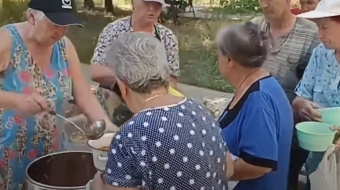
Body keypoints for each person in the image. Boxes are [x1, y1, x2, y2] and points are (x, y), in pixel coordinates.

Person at [0, 0, 116, 189]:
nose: (60, 33)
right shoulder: (7, 40)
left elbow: (84, 95)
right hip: (7, 156)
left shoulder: (64, 47)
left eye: (66, 26)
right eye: (55, 25)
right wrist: (16, 101)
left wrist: (109, 130)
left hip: (51, 156)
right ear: (31, 17)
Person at [92, 32, 230, 190]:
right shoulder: (201, 112)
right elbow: (228, 168)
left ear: (123, 86)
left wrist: (98, 185)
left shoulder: (131, 135)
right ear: (164, 73)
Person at [217, 22, 294, 190]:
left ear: (229, 59)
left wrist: (215, 172)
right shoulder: (261, 85)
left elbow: (260, 164)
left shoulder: (259, 100)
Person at [253, 1, 320, 189]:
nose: (264, 4)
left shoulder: (312, 34)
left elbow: (315, 85)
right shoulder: (252, 29)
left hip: (291, 132)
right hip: (257, 125)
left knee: (285, 182)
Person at [90, 0, 181, 127]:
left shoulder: (167, 37)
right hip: (114, 108)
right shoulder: (114, 31)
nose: (152, 8)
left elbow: (172, 81)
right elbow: (96, 72)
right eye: (146, 3)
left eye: (157, 4)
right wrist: (134, 74)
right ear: (133, 3)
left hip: (152, 109)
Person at [293, 0, 340, 189]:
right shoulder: (321, 54)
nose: (320, 34)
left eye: (325, 27)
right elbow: (300, 97)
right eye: (318, 27)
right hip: (319, 159)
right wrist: (301, 106)